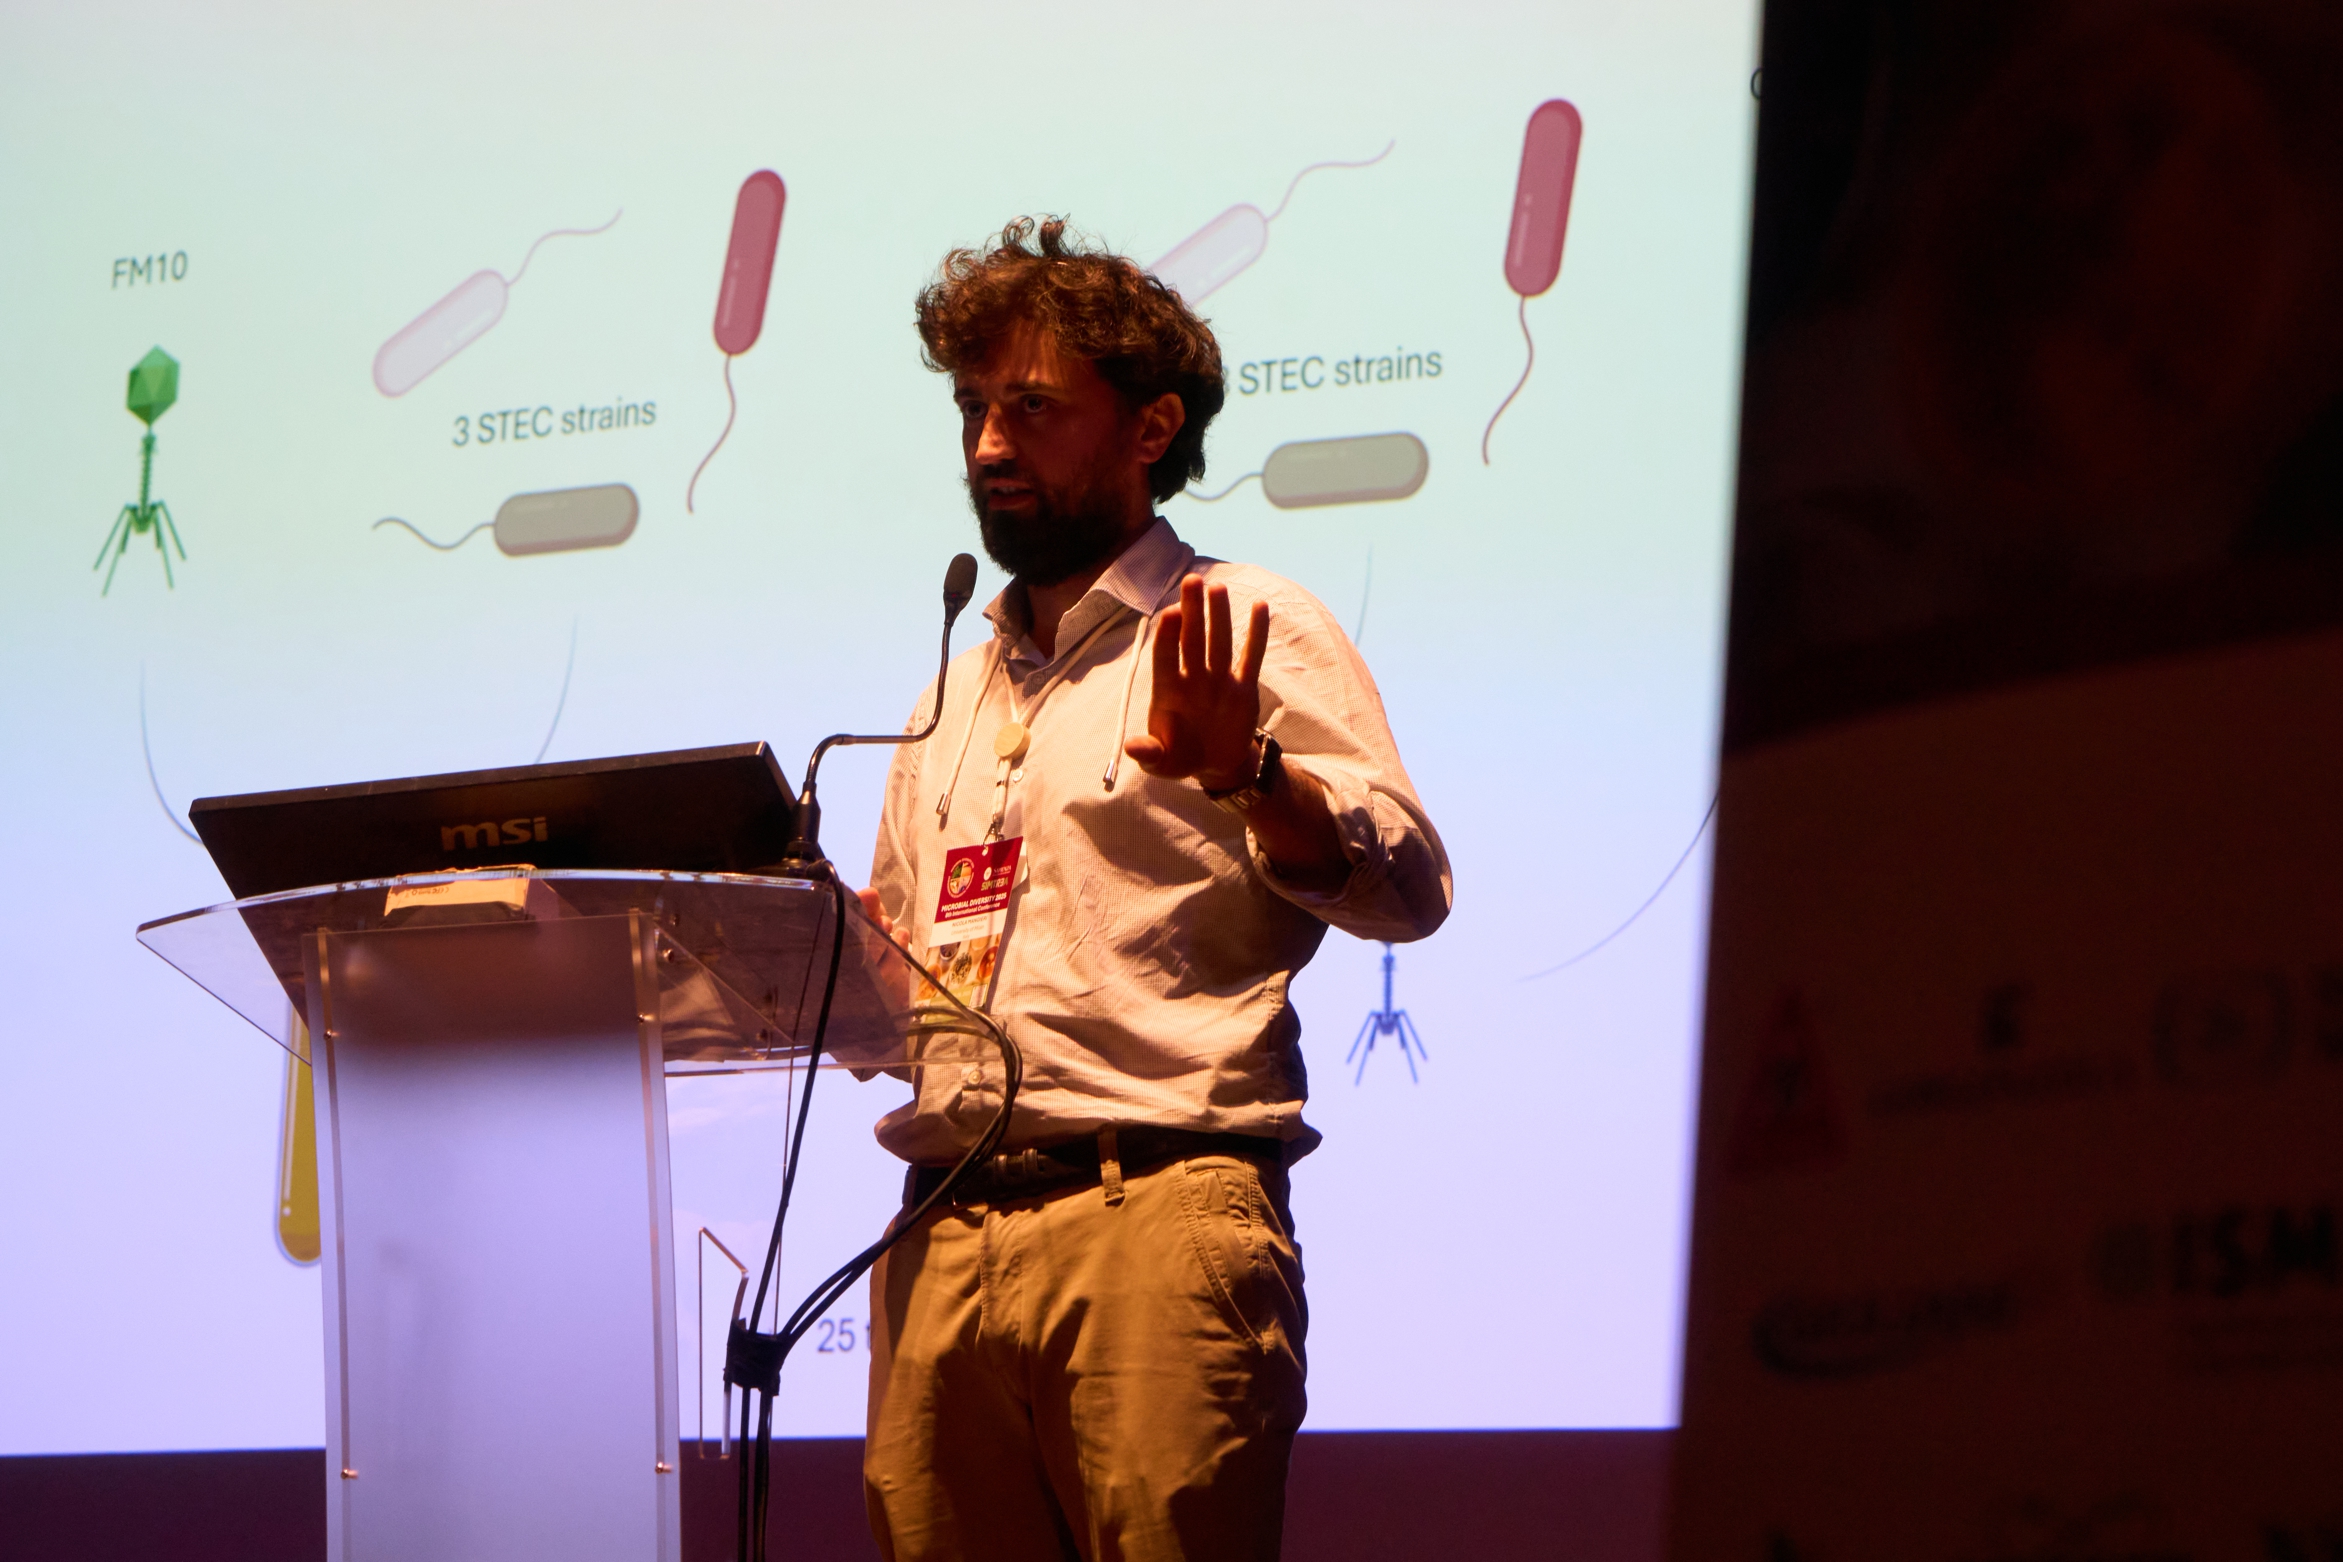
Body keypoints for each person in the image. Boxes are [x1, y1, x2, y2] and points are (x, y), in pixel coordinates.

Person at [857, 216, 1451, 1562]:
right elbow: (898, 999)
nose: (987, 445)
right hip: (939, 1234)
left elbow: (1409, 887)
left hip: (1155, 1211)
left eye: (1029, 406)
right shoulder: (949, 696)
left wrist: (1249, 772)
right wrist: (808, 949)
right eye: (971, 408)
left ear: (1150, 426)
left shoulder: (1244, 623)